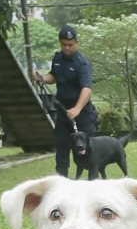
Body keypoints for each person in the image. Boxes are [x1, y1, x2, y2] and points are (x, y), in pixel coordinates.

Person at [32, 25, 97, 177]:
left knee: (87, 151)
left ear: (77, 43)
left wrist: (77, 109)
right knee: (62, 148)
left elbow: (86, 89)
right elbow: (54, 76)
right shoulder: (57, 58)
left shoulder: (82, 64)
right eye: (64, 45)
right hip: (62, 110)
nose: (67, 48)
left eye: (70, 45)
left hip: (81, 112)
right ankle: (61, 181)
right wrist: (41, 78)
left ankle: (93, 184)